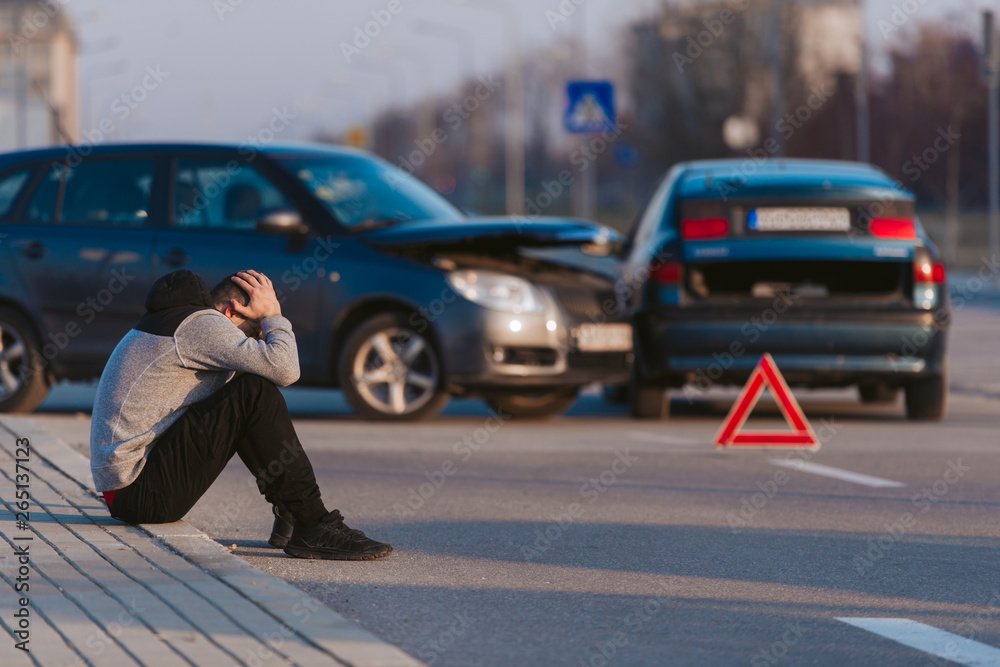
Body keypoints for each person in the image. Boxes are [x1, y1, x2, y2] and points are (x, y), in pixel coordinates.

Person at [89, 268, 392, 560]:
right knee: (253, 392)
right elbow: (286, 370)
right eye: (253, 331)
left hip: (130, 490)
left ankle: (292, 514)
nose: (257, 339)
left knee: (246, 389)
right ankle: (312, 523)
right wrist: (273, 317)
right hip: (140, 493)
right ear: (230, 311)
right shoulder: (202, 325)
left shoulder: (175, 322)